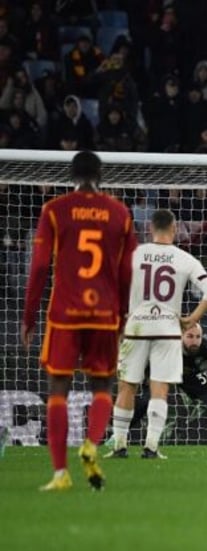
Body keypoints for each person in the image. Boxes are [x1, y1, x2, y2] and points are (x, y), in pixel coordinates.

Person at [21, 150, 138, 491]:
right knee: (102, 386)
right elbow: (127, 270)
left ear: (71, 175)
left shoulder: (55, 210)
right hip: (104, 313)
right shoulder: (120, 212)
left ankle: (60, 474)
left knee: (58, 387)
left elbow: (41, 266)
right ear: (101, 176)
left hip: (64, 314)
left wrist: (28, 315)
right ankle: (91, 443)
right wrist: (123, 312)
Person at [108, 209, 207, 459]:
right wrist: (191, 319)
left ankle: (119, 447)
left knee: (127, 386)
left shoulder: (133, 254)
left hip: (135, 328)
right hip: (168, 330)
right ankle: (151, 448)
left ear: (149, 228)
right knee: (160, 388)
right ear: (174, 229)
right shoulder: (184, 258)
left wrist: (119, 320)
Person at [107, 323, 207, 448]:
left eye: (198, 337)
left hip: (190, 375)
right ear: (181, 335)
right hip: (164, 370)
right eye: (190, 336)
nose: (194, 341)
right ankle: (117, 436)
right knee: (145, 402)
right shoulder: (167, 345)